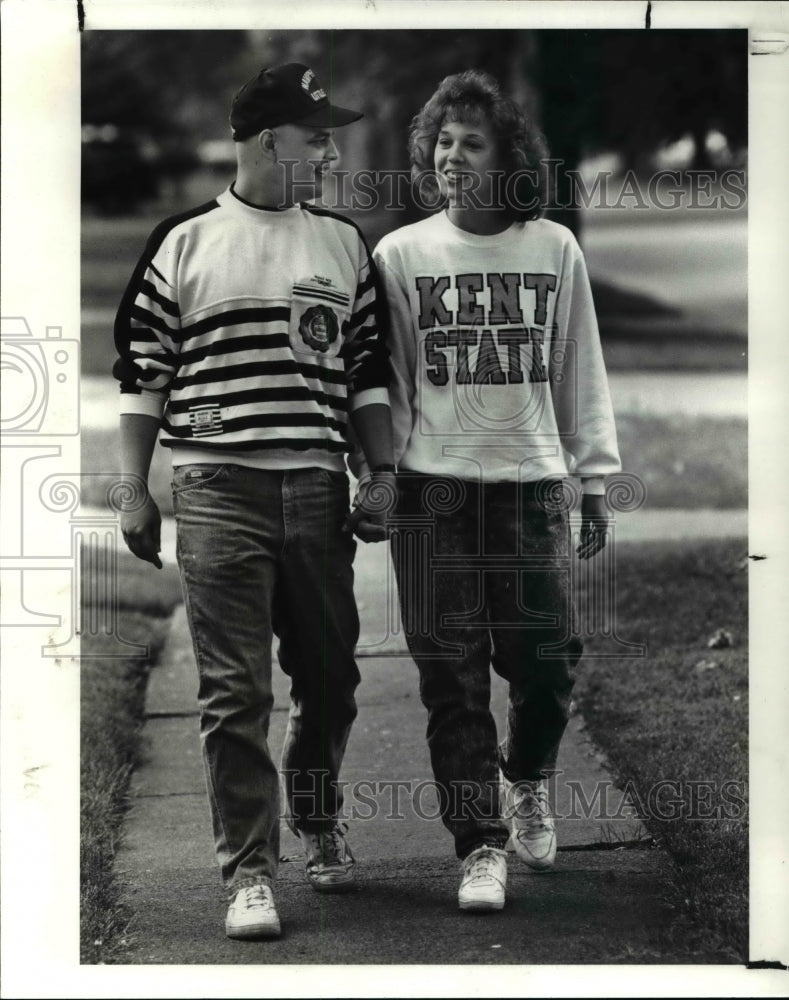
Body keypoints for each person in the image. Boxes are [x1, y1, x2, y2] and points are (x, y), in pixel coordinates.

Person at [113, 62, 394, 940]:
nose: (330, 147)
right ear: (269, 139)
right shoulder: (183, 242)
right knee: (235, 693)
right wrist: (134, 490)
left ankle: (314, 815)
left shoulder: (343, 244)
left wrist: (378, 473)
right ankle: (248, 871)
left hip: (314, 488)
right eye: (316, 134)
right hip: (215, 489)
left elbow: (367, 375)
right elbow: (141, 376)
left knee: (330, 680)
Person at [366, 70, 621, 912]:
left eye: (471, 142)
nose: (452, 156)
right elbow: (386, 383)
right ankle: (478, 845)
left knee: (545, 662)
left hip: (530, 484)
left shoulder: (551, 247)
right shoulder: (399, 255)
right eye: (442, 142)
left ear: (507, 155)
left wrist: (594, 481)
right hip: (430, 493)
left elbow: (577, 364)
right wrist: (376, 477)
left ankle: (530, 780)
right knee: (451, 675)